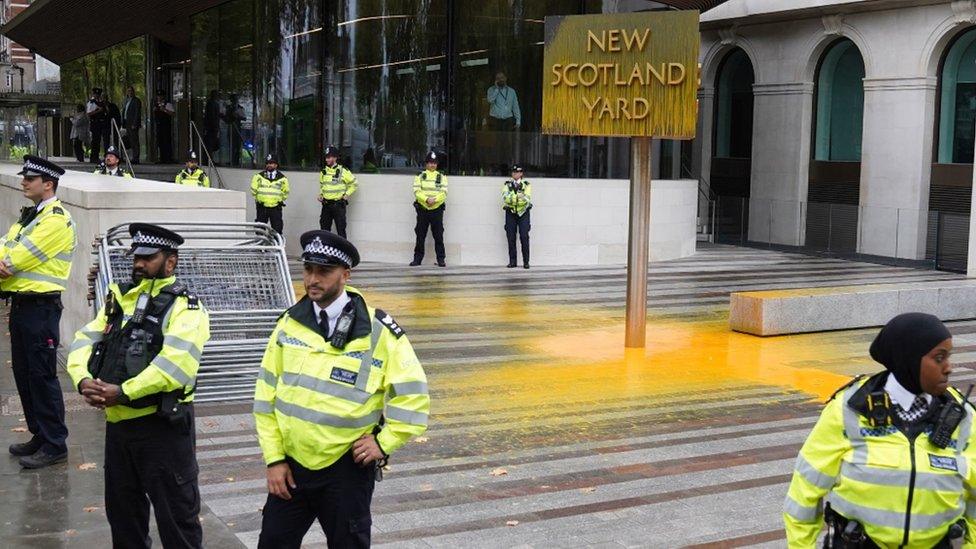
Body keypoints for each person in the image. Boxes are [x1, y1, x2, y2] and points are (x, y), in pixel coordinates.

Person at [253, 230, 429, 548]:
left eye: (324, 271)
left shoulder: (378, 330)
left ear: (345, 275)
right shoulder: (288, 324)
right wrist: (273, 459)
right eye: (308, 270)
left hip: (346, 469)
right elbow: (265, 396)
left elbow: (414, 394)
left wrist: (384, 442)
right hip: (291, 466)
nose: (312, 280)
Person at [66, 223, 209, 548]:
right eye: (136, 257)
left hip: (162, 430)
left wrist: (123, 391)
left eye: (148, 258)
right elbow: (83, 341)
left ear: (170, 262)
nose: (139, 264)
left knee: (178, 524)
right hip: (119, 432)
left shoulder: (187, 308)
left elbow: (176, 366)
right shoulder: (120, 301)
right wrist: (83, 380)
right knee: (124, 520)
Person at [784, 312, 976, 548]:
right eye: (939, 358)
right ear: (909, 359)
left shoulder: (963, 417)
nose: (948, 368)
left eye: (949, 356)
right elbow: (804, 491)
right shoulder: (850, 410)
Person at [0, 155, 74, 468]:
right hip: (22, 305)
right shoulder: (31, 216)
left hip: (41, 308)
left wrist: (7, 262)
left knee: (42, 376)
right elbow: (4, 245)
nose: (24, 182)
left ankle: (55, 443)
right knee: (25, 374)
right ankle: (40, 435)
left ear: (48, 184)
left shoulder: (55, 219)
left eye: (30, 179)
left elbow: (16, 259)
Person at [411, 151, 448, 267]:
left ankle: (441, 259)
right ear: (426, 164)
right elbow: (417, 192)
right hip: (423, 209)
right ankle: (417, 259)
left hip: (436, 210)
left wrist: (434, 200)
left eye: (435, 163)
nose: (433, 165)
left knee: (438, 235)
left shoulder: (441, 177)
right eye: (431, 163)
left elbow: (444, 193)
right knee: (420, 235)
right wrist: (426, 200)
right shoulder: (420, 176)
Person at [318, 145, 358, 238]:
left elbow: (354, 183)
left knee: (341, 231)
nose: (327, 160)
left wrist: (347, 194)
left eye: (329, 157)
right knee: (324, 231)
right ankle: (325, 251)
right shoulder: (323, 172)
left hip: (338, 205)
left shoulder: (343, 171)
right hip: (326, 205)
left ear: (335, 158)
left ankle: (343, 252)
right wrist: (321, 194)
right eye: (326, 157)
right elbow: (322, 185)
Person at [502, 164, 532, 269]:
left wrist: (513, 198)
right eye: (513, 172)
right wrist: (518, 197)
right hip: (510, 213)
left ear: (521, 174)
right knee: (511, 237)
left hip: (523, 213)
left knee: (524, 236)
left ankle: (526, 262)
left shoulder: (527, 185)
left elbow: (527, 199)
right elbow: (505, 198)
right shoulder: (507, 184)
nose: (515, 174)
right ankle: (512, 261)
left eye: (517, 172)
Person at [251, 153, 289, 235]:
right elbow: (253, 190)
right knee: (259, 230)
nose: (269, 165)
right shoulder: (258, 176)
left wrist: (277, 200)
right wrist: (260, 199)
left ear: (276, 165)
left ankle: (275, 247)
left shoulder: (282, 178)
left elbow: (285, 192)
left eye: (271, 163)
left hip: (275, 207)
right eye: (267, 163)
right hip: (262, 207)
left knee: (277, 230)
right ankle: (260, 248)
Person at [122, 85, 143, 164]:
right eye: (128, 91)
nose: (129, 92)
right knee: (130, 140)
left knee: (134, 140)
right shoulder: (126, 100)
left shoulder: (136, 101)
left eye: (131, 91)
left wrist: (135, 123)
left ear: (133, 92)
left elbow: (137, 113)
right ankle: (133, 156)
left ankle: (136, 157)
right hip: (127, 122)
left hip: (133, 123)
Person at [87, 87, 108, 163]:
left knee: (98, 141)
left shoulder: (99, 102)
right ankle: (93, 157)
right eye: (96, 94)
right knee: (95, 141)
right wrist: (98, 111)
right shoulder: (91, 102)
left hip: (99, 123)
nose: (97, 95)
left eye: (98, 94)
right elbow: (89, 113)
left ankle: (96, 156)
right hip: (94, 123)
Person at [224, 94, 246, 166]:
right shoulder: (228, 108)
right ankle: (231, 160)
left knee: (237, 145)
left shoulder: (240, 108)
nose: (234, 101)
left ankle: (237, 161)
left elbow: (244, 118)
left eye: (236, 99)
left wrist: (237, 116)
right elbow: (225, 118)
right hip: (231, 128)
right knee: (231, 145)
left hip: (238, 128)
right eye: (233, 99)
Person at [153, 90, 175, 163]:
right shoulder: (156, 105)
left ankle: (168, 158)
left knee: (166, 141)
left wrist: (164, 110)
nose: (159, 97)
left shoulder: (167, 104)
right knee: (160, 142)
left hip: (166, 126)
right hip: (159, 126)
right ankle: (161, 158)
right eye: (158, 96)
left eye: (160, 96)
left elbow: (172, 113)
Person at [203, 90, 222, 155]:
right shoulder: (211, 103)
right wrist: (215, 126)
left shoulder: (214, 103)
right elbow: (212, 116)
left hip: (213, 126)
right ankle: (209, 158)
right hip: (211, 127)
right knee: (211, 143)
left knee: (213, 142)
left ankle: (210, 157)